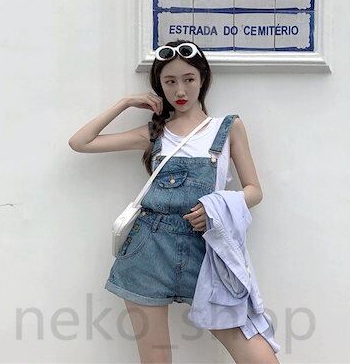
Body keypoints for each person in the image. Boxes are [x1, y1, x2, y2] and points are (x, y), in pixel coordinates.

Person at [68, 39, 280, 364]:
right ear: (160, 85)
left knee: (257, 356)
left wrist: (214, 209)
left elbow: (254, 190)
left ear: (203, 79)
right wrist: (126, 102)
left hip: (207, 253)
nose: (180, 90)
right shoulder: (154, 133)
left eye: (188, 79)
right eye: (169, 81)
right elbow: (81, 142)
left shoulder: (227, 128)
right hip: (148, 250)